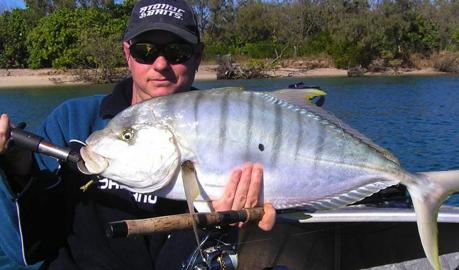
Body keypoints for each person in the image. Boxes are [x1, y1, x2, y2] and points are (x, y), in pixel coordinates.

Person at [0, 0, 276, 268]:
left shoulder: (231, 124)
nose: (160, 64)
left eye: (177, 52)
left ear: (198, 57)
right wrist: (17, 171)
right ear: (127, 54)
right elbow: (27, 249)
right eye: (145, 51)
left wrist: (218, 223)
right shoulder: (72, 122)